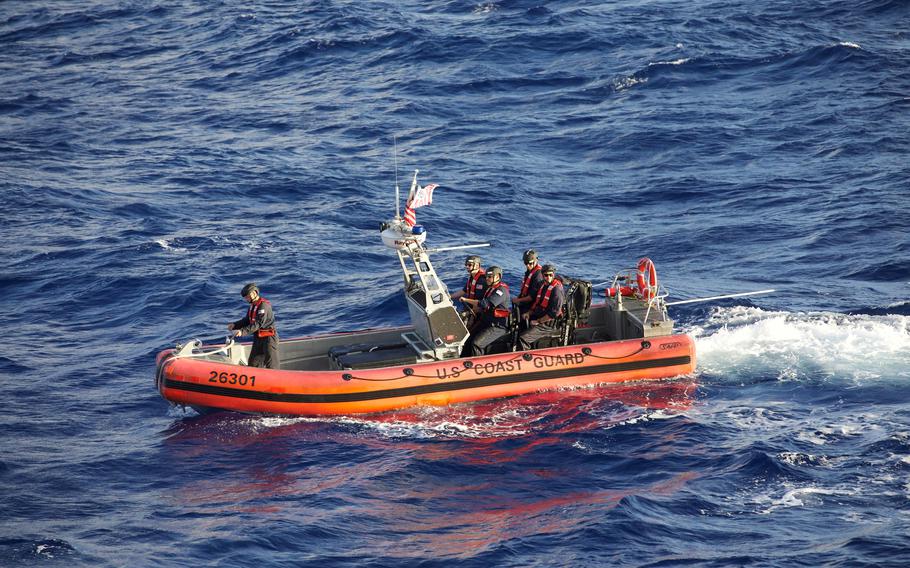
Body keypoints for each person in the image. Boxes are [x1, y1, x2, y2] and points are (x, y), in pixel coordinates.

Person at [227, 283, 280, 369]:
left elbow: (258, 323)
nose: (246, 299)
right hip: (258, 338)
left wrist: (242, 332)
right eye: (245, 297)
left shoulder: (263, 306)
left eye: (248, 296)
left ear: (255, 293)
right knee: (253, 364)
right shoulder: (252, 306)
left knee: (272, 365)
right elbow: (247, 320)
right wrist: (235, 325)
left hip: (269, 339)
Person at [461, 266, 511, 356]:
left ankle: (478, 365)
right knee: (467, 338)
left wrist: (466, 300)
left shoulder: (501, 291)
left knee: (477, 344)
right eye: (486, 277)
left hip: (497, 326)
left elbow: (485, 304)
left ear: (497, 277)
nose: (487, 279)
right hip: (486, 321)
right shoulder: (490, 288)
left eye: (489, 277)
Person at [518, 264, 566, 351]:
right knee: (519, 324)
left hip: (548, 324)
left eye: (551, 275)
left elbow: (554, 313)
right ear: (542, 275)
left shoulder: (556, 290)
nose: (548, 277)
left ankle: (525, 358)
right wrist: (529, 313)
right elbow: (538, 304)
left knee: (523, 338)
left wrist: (538, 321)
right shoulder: (543, 286)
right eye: (546, 275)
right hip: (540, 317)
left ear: (553, 275)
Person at [512, 249, 544, 318]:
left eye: (530, 263)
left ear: (536, 261)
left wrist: (518, 300)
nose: (528, 266)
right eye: (526, 263)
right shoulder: (529, 271)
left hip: (532, 306)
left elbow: (532, 297)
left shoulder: (538, 275)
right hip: (525, 302)